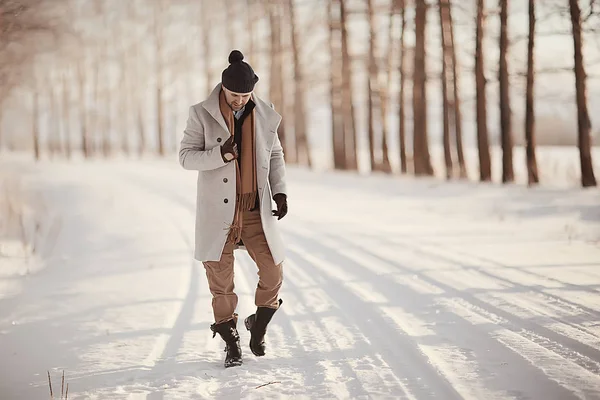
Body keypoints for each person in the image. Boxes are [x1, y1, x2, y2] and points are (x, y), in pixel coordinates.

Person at [178, 49, 288, 368]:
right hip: (219, 213)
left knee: (273, 270)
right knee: (221, 282)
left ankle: (259, 326)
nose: (239, 100)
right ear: (223, 88)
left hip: (254, 208)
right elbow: (185, 157)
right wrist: (220, 154)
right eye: (233, 94)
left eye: (245, 94)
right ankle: (231, 343)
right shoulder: (201, 113)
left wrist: (279, 192)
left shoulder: (265, 114)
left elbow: (275, 155)